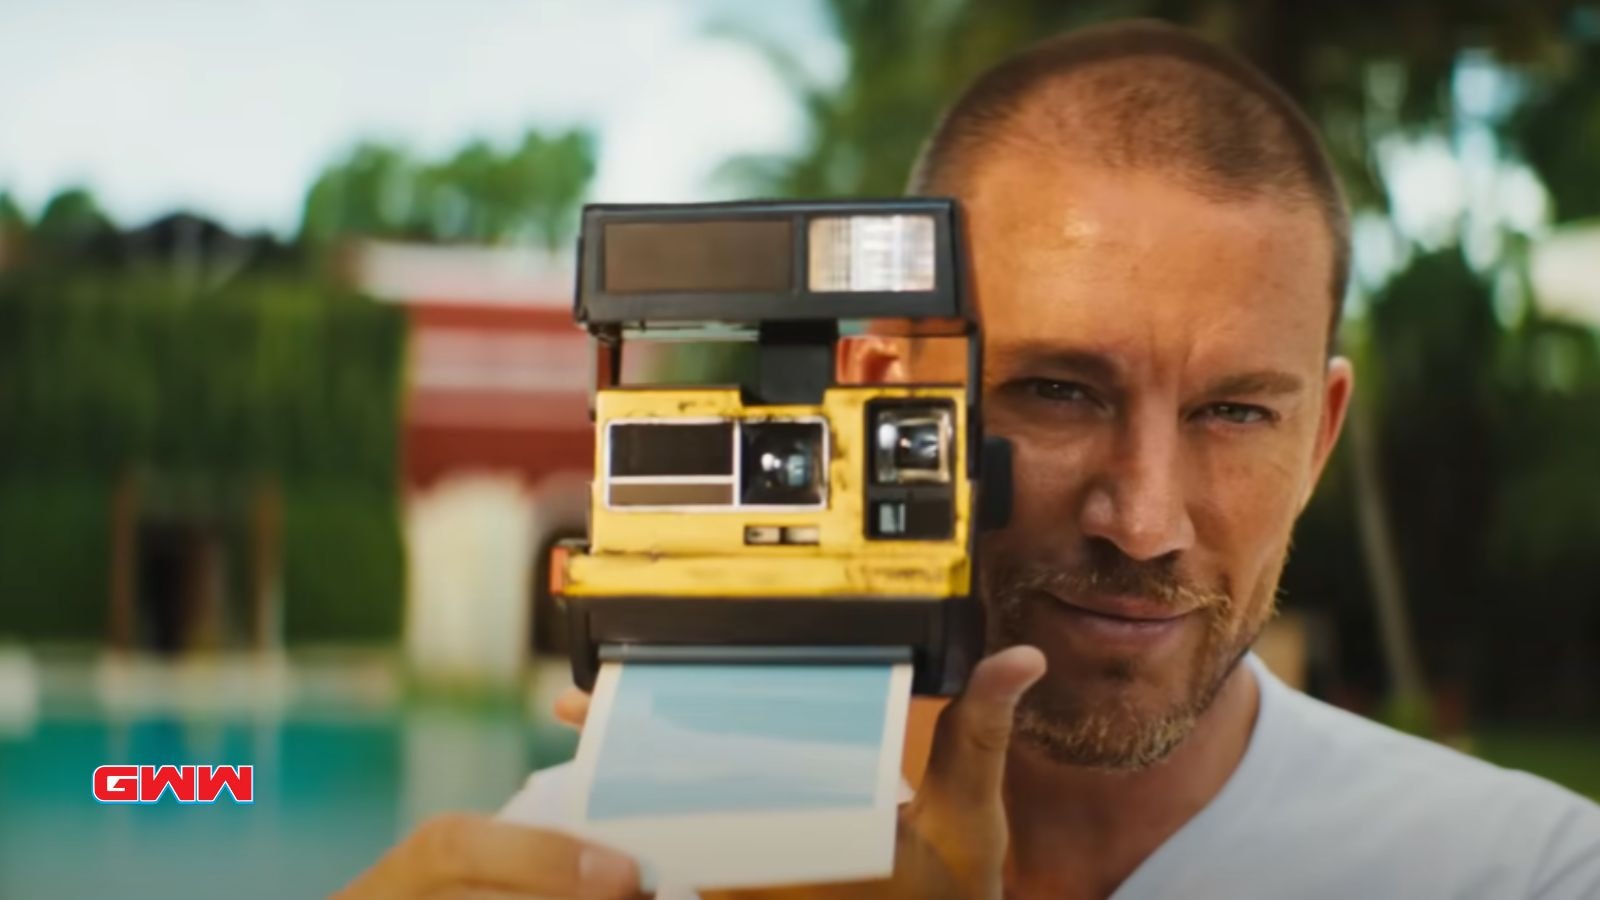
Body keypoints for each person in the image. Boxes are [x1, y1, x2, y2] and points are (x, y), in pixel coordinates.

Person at [338, 19, 1600, 900]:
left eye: (1234, 415)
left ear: (1319, 437)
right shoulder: (582, 855)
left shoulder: (1520, 875)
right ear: (887, 392)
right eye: (1056, 391)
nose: (1143, 519)